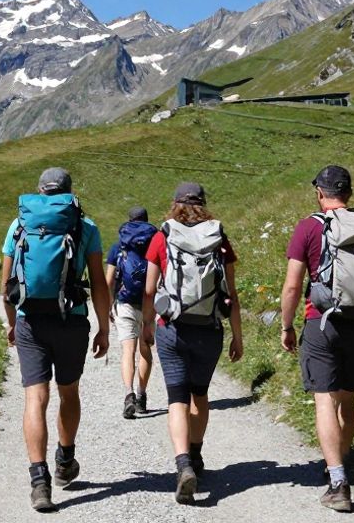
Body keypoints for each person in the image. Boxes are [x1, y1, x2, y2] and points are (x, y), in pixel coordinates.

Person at [279, 165, 354, 512]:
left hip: (322, 323)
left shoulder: (308, 227)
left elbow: (291, 285)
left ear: (320, 192)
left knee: (324, 400)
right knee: (348, 397)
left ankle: (337, 480)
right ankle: (342, 462)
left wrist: (286, 327)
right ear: (348, 192)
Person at [1, 167, 111, 512]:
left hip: (30, 321)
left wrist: (12, 324)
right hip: (71, 321)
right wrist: (104, 327)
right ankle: (65, 459)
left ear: (38, 191)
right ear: (68, 192)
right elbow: (98, 282)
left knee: (36, 397)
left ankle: (39, 482)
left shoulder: (19, 225)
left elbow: (7, 286)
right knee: (68, 391)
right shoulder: (85, 226)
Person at [143, 182, 243, 505]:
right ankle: (197, 458)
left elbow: (148, 289)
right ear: (203, 204)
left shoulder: (163, 236)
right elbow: (232, 292)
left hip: (171, 328)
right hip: (209, 329)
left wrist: (147, 326)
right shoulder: (218, 238)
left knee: (177, 398)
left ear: (174, 204)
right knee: (199, 394)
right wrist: (238, 337)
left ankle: (183, 463)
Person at [105, 205, 158, 419]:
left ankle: (128, 395)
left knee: (128, 350)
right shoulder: (156, 244)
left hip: (124, 302)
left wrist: (109, 305)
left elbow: (109, 280)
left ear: (128, 221)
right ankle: (142, 396)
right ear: (147, 221)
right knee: (145, 350)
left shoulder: (118, 246)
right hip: (149, 304)